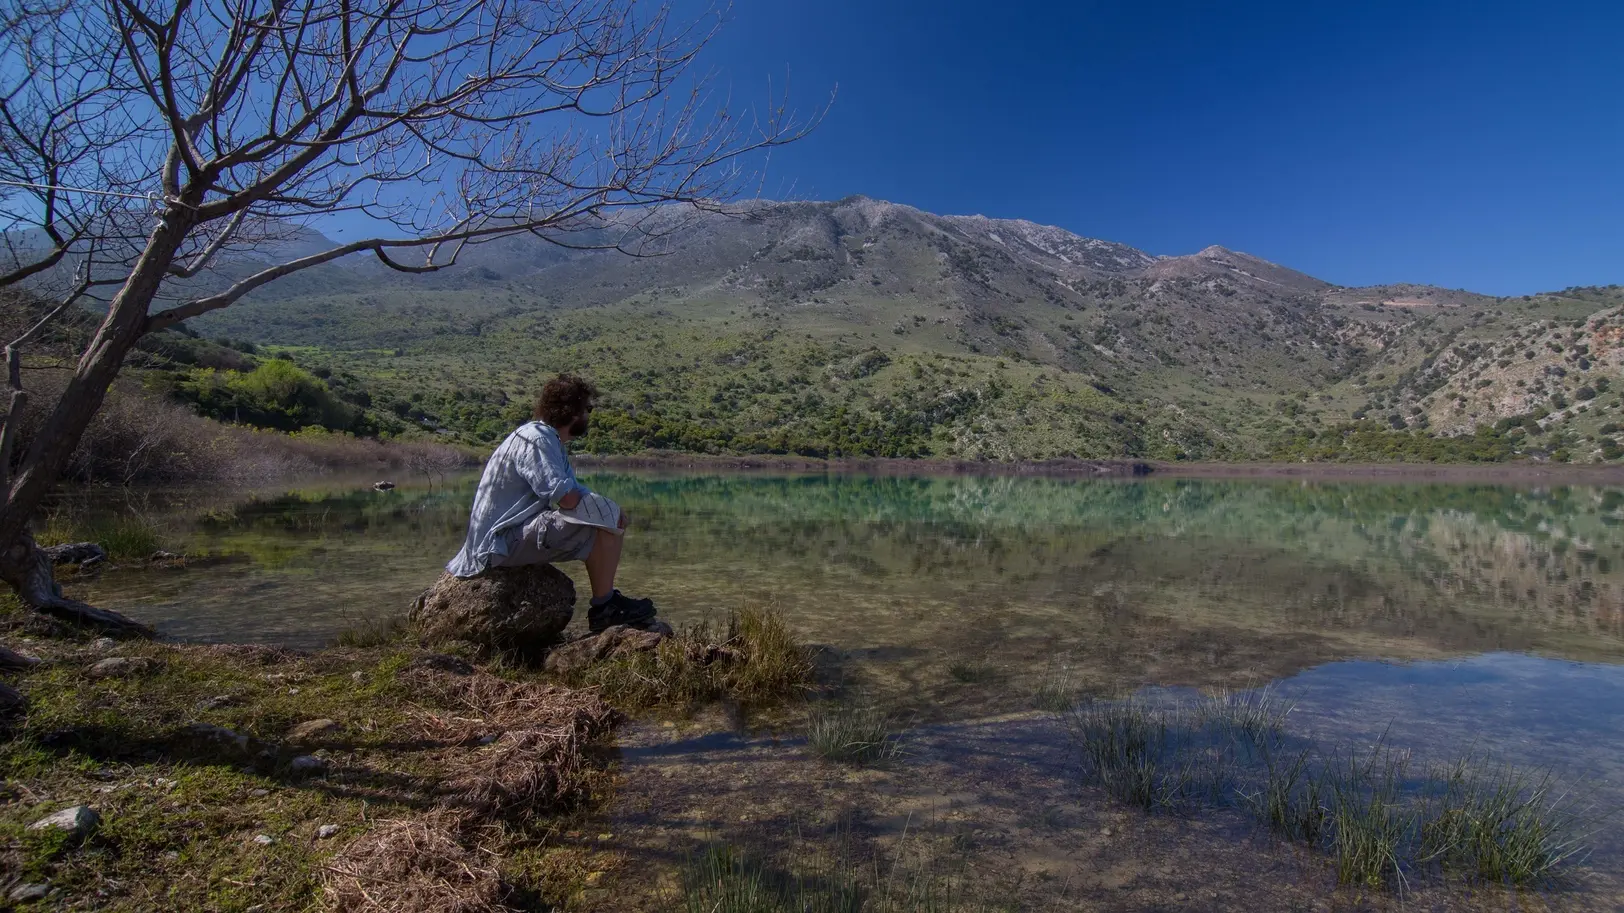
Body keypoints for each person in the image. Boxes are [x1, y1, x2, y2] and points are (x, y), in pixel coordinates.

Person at [447, 373, 657, 634]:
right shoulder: (537, 438)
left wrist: (609, 508)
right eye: (587, 409)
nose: (589, 416)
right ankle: (605, 607)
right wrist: (606, 512)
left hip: (504, 538)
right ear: (572, 412)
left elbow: (573, 489)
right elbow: (566, 499)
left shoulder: (545, 438)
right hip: (496, 544)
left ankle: (606, 601)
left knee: (606, 518)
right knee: (601, 525)